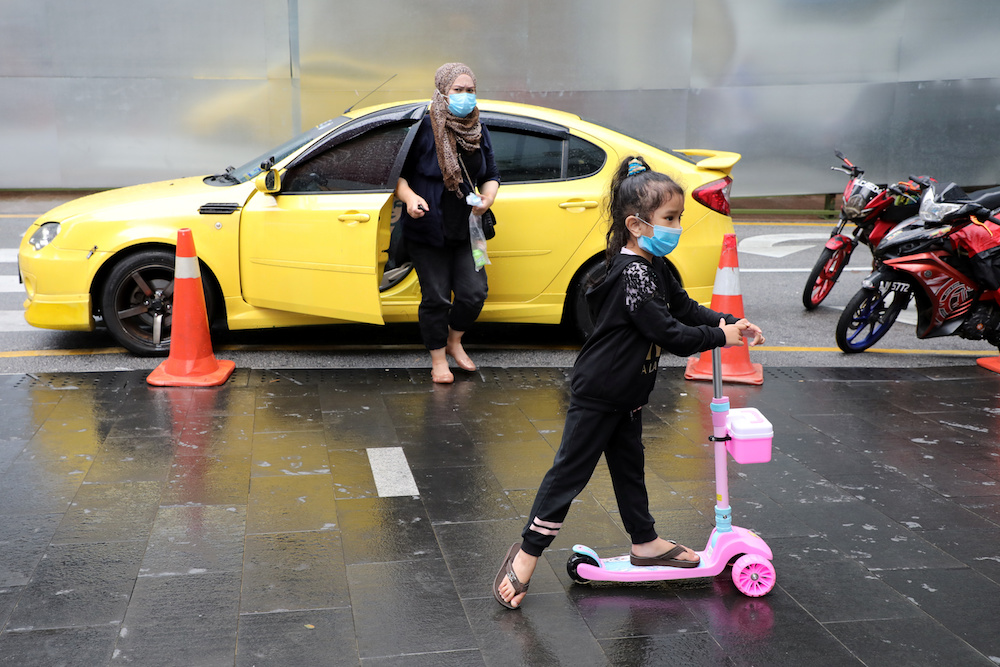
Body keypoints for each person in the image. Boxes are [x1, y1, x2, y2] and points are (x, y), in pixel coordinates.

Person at [493, 155, 765, 609]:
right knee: (569, 476)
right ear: (637, 224)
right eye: (670, 219)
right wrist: (722, 336)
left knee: (629, 470)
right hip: (599, 392)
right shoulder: (633, 274)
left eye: (679, 217)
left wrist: (729, 319)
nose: (677, 227)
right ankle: (525, 555)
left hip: (628, 394)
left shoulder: (653, 267)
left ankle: (645, 542)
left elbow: (684, 308)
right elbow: (670, 334)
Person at [395, 62, 501, 384]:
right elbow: (398, 176)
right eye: (458, 90)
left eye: (470, 90)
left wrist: (488, 199)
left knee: (473, 293)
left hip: (468, 230)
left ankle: (455, 342)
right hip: (428, 227)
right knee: (437, 297)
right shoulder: (423, 127)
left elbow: (492, 175)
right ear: (443, 90)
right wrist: (410, 198)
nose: (465, 96)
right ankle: (438, 359)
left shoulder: (478, 128)